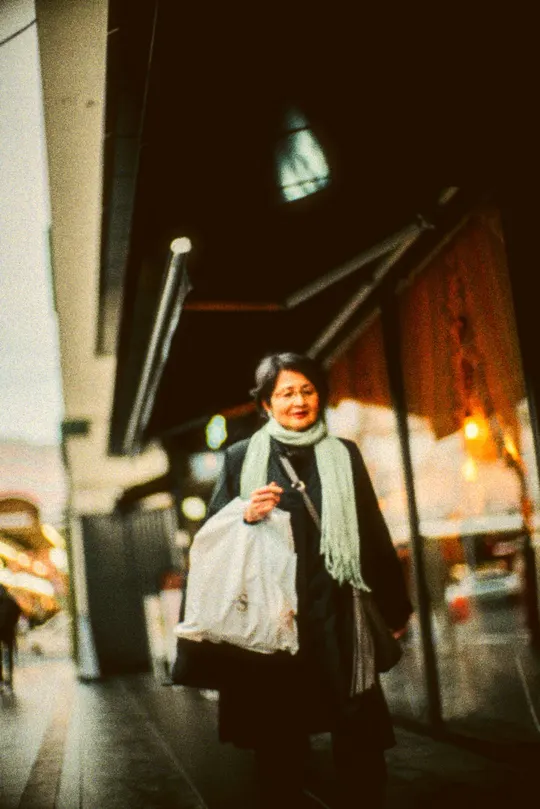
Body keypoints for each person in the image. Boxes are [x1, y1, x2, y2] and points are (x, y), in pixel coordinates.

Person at [206, 352, 412, 809]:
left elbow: (371, 530)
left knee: (358, 730)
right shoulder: (241, 457)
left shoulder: (344, 454)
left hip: (338, 610)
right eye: (285, 393)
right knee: (280, 738)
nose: (298, 401)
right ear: (265, 404)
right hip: (276, 618)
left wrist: (394, 606)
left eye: (307, 391)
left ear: (319, 396)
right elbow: (214, 533)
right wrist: (245, 513)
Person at [0, 583, 21, 690]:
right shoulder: (11, 600)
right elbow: (18, 611)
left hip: (5, 631)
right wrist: (13, 623)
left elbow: (18, 611)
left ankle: (3, 678)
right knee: (8, 655)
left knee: (4, 655)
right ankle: (8, 678)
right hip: (8, 631)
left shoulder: (9, 601)